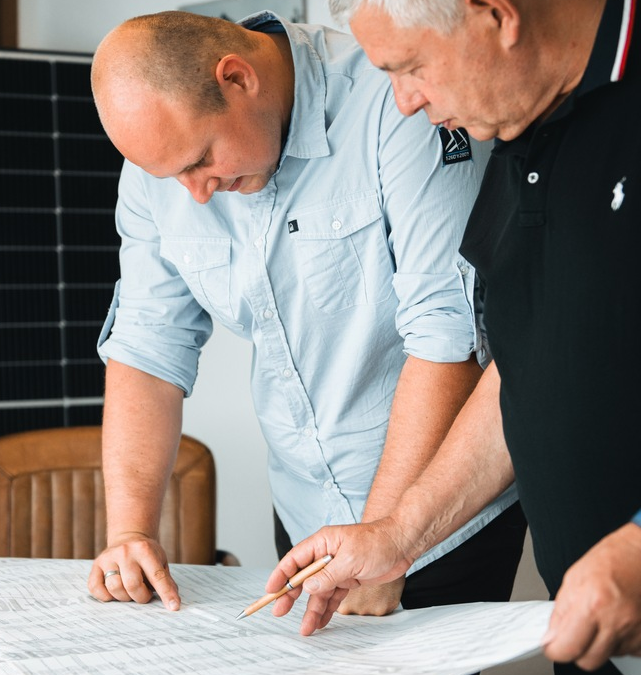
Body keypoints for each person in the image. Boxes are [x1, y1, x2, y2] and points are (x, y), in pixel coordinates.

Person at [266, 0, 641, 673]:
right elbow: (524, 364)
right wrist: (398, 533)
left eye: (409, 67)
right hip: (603, 639)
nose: (405, 102)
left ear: (496, 15)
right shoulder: (519, 116)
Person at [86, 9, 528, 618]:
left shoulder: (396, 102)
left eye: (200, 160)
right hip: (302, 512)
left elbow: (447, 332)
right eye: (171, 175)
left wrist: (386, 543)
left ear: (237, 79)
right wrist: (130, 532)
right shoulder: (160, 165)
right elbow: (146, 345)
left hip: (433, 514)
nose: (194, 191)